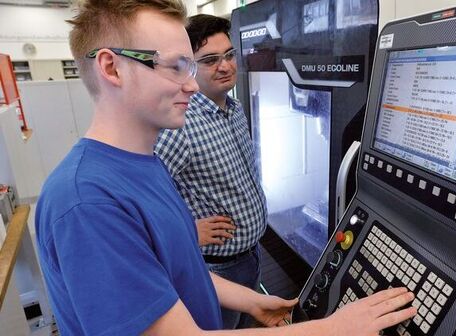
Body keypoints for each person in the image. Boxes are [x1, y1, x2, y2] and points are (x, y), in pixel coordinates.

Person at [35, 0, 417, 335]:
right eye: (176, 67)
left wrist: (250, 301)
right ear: (112, 68)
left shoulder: (143, 165)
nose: (191, 85)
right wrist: (332, 330)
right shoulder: (87, 202)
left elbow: (178, 270)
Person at [154, 14, 264, 329]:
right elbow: (149, 195)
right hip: (218, 270)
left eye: (229, 55)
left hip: (252, 256)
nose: (226, 65)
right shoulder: (182, 125)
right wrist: (189, 229)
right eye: (211, 60)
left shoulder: (235, 108)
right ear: (189, 67)